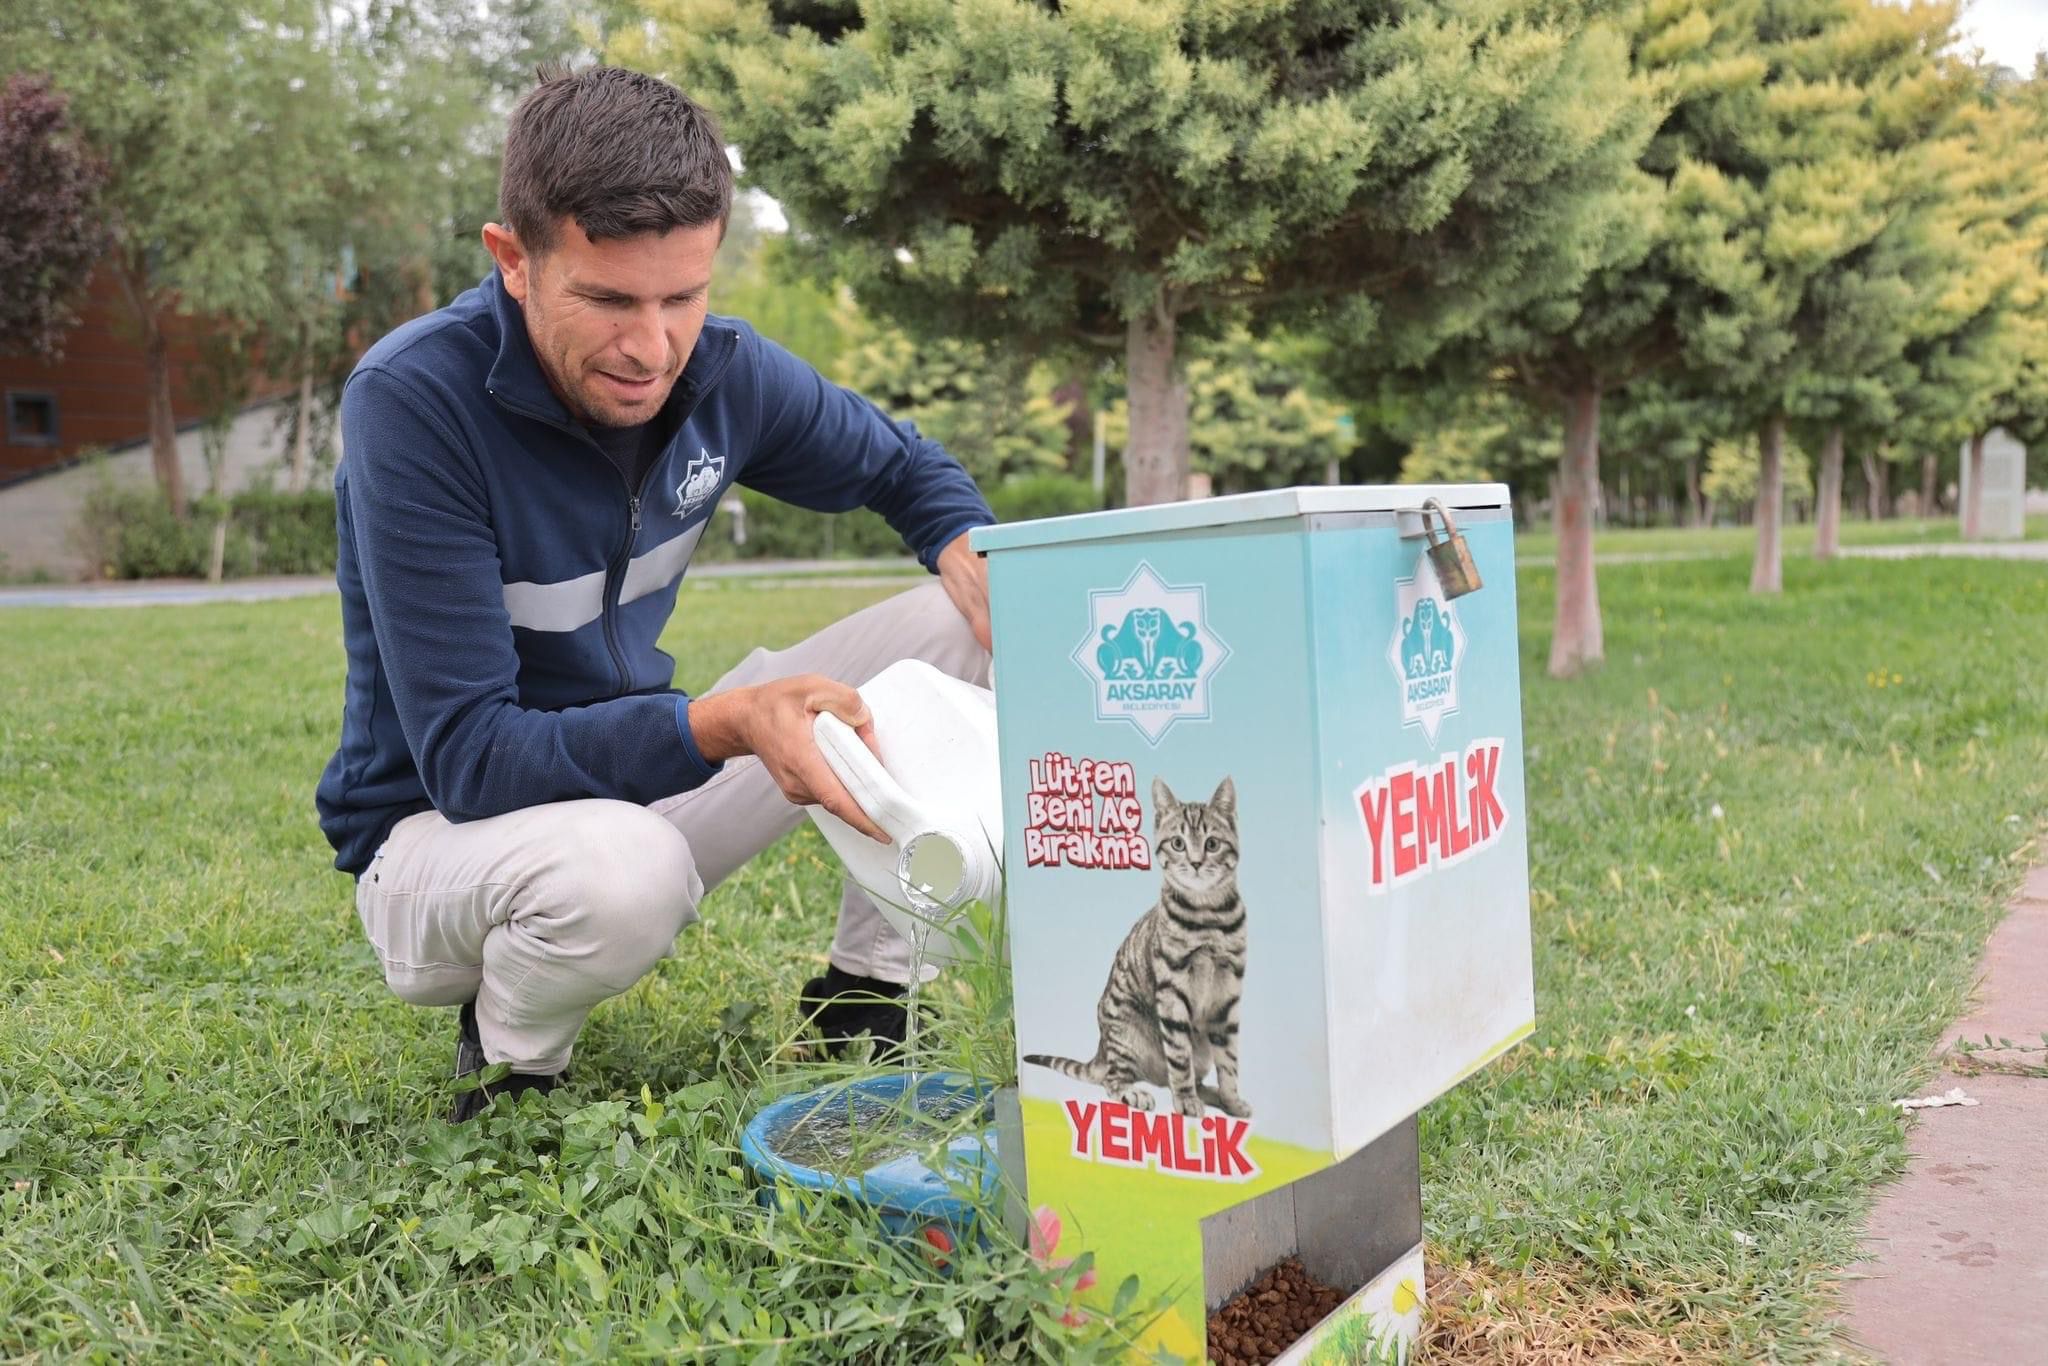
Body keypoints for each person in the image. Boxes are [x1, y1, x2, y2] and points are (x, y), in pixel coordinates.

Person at [314, 65, 995, 1122]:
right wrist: (720, 723)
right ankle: (511, 1064)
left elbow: (904, 468)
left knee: (970, 616)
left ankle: (871, 995)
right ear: (513, 261)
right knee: (621, 870)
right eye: (607, 298)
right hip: (437, 835)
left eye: (683, 296)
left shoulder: (720, 373)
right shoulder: (414, 402)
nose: (651, 347)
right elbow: (472, 758)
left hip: (635, 778)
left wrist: (965, 539)